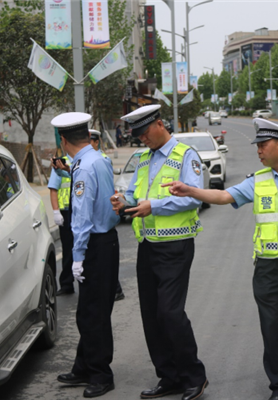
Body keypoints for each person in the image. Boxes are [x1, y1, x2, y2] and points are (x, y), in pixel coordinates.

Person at [161, 119, 278, 400]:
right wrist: (191, 190)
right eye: (258, 146)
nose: (259, 151)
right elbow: (223, 195)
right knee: (271, 326)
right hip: (268, 266)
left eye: (263, 145)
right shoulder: (257, 180)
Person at [111, 104, 208, 400]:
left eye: (145, 133)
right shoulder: (143, 158)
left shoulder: (185, 155)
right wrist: (123, 201)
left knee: (170, 312)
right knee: (152, 315)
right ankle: (169, 377)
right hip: (147, 244)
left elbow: (194, 198)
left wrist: (155, 205)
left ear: (160, 124)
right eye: (137, 135)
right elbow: (136, 194)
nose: (142, 139)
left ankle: (194, 376)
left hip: (176, 245)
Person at [53, 112, 121, 398]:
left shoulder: (83, 168)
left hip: (94, 245)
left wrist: (78, 255)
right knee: (92, 310)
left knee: (93, 313)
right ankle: (84, 366)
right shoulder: (98, 159)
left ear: (63, 140)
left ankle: (100, 373)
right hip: (107, 242)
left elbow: (81, 217)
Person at [89, 129, 125, 301]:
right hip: (99, 220)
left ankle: (115, 290)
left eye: (90, 141)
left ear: (96, 142)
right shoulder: (87, 160)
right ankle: (113, 289)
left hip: (102, 220)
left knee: (104, 264)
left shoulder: (101, 160)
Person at [48, 151, 76, 296]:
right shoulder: (61, 162)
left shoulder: (86, 159)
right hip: (66, 212)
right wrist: (56, 211)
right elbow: (53, 189)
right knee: (68, 247)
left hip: (83, 210)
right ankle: (67, 283)